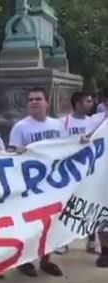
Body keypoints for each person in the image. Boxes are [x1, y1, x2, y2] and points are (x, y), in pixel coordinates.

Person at [9, 87, 65, 277]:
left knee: (51, 222)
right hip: (30, 184)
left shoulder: (57, 126)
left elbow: (66, 149)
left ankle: (46, 260)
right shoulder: (21, 127)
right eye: (31, 99)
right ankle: (23, 261)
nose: (34, 102)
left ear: (47, 103)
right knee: (28, 223)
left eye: (38, 99)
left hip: (53, 182)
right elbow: (12, 155)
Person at [57, 91, 95, 255]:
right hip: (70, 169)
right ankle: (62, 241)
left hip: (90, 168)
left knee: (90, 204)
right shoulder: (63, 122)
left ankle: (91, 240)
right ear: (78, 104)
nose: (91, 103)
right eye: (87, 101)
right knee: (67, 205)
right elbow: (59, 143)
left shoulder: (94, 122)